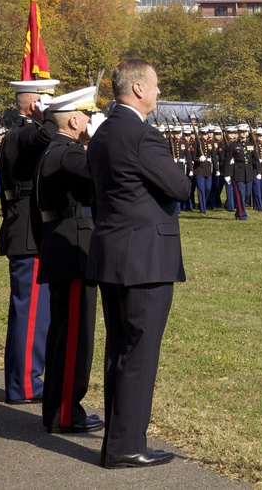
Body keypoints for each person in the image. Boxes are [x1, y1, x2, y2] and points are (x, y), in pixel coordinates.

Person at [87, 59, 192, 468]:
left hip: (112, 252)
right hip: (144, 258)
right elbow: (180, 187)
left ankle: (117, 441)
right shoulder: (141, 136)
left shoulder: (104, 133)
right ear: (136, 90)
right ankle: (127, 445)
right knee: (140, 353)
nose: (159, 92)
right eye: (155, 86)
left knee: (120, 349)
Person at [32, 86, 105, 434]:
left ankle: (60, 409)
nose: (90, 121)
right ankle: (65, 413)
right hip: (73, 249)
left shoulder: (57, 151)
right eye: (88, 116)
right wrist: (103, 138)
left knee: (65, 334)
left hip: (62, 247)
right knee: (75, 337)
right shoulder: (69, 154)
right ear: (75, 119)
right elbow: (104, 175)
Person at [0, 77, 60, 405]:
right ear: (32, 103)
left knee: (39, 314)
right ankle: (24, 385)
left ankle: (27, 379)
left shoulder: (25, 134)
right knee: (31, 314)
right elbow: (49, 133)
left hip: (30, 229)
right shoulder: (22, 133)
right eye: (48, 101)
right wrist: (47, 115)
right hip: (27, 233)